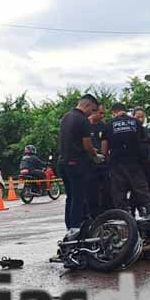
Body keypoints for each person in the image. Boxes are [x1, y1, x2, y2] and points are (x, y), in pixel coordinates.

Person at [59, 94, 102, 229]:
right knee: (79, 198)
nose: (92, 113)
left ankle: (69, 228)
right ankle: (76, 228)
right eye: (93, 110)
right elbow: (87, 145)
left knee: (70, 198)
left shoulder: (66, 117)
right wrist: (95, 154)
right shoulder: (83, 120)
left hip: (63, 163)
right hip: (76, 163)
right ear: (87, 105)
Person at [101, 102, 150, 215]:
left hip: (116, 164)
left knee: (119, 194)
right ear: (125, 111)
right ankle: (148, 215)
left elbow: (104, 150)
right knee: (141, 191)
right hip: (135, 163)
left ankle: (125, 219)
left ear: (114, 112)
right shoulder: (136, 123)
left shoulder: (109, 125)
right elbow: (144, 144)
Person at [87, 103, 110, 216]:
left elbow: (106, 143)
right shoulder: (85, 124)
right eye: (100, 113)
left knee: (106, 189)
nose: (102, 115)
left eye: (103, 113)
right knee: (91, 191)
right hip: (89, 163)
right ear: (93, 111)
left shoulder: (103, 125)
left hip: (102, 163)